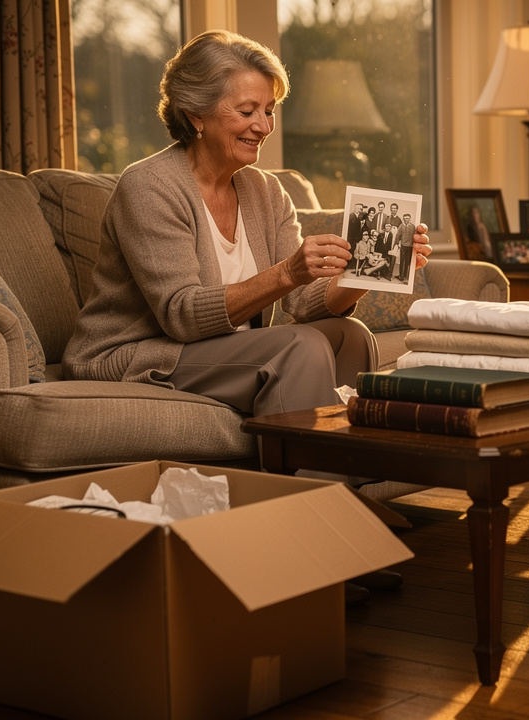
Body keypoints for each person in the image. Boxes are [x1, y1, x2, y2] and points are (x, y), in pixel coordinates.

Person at [62, 30, 433, 599]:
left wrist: (364, 273)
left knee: (348, 336)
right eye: (247, 110)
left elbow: (304, 306)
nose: (264, 125)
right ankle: (313, 549)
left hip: (215, 348)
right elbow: (181, 315)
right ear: (196, 113)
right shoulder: (149, 187)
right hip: (138, 351)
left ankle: (331, 526)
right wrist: (288, 269)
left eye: (270, 110)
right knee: (302, 348)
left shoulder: (265, 191)